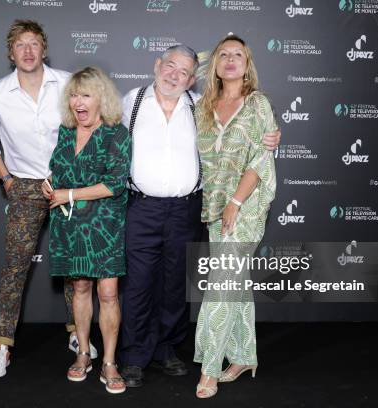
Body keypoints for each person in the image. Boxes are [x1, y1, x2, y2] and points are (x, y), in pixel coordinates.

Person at [119, 44, 281, 388]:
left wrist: (272, 140)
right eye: (170, 67)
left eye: (184, 72)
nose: (174, 75)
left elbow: (245, 144)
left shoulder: (197, 105)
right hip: (142, 206)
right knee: (138, 284)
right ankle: (134, 356)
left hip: (189, 208)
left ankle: (167, 350)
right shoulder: (130, 102)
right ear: (157, 65)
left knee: (177, 284)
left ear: (192, 78)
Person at [0, 20, 95, 379]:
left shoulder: (69, 84)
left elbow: (89, 126)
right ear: (11, 54)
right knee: (15, 267)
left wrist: (73, 169)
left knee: (77, 267)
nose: (28, 51)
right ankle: (2, 345)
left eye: (34, 44)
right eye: (20, 45)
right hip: (25, 186)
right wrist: (7, 179)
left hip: (69, 184)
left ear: (44, 49)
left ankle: (79, 336)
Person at [193, 34, 277, 398]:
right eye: (222, 54)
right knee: (235, 282)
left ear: (247, 63)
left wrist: (236, 202)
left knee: (221, 285)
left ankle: (210, 368)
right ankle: (243, 356)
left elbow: (262, 156)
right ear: (215, 64)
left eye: (237, 54)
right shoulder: (202, 106)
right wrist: (222, 204)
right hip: (214, 206)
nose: (230, 59)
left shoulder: (258, 103)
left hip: (246, 206)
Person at [43, 67, 131, 394]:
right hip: (70, 225)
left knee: (107, 293)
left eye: (87, 94)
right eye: (75, 95)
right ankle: (83, 354)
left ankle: (109, 361)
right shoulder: (66, 132)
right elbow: (60, 170)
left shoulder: (116, 134)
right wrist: (50, 183)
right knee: (80, 289)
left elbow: (114, 184)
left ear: (101, 99)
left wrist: (67, 194)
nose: (78, 101)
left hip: (104, 225)